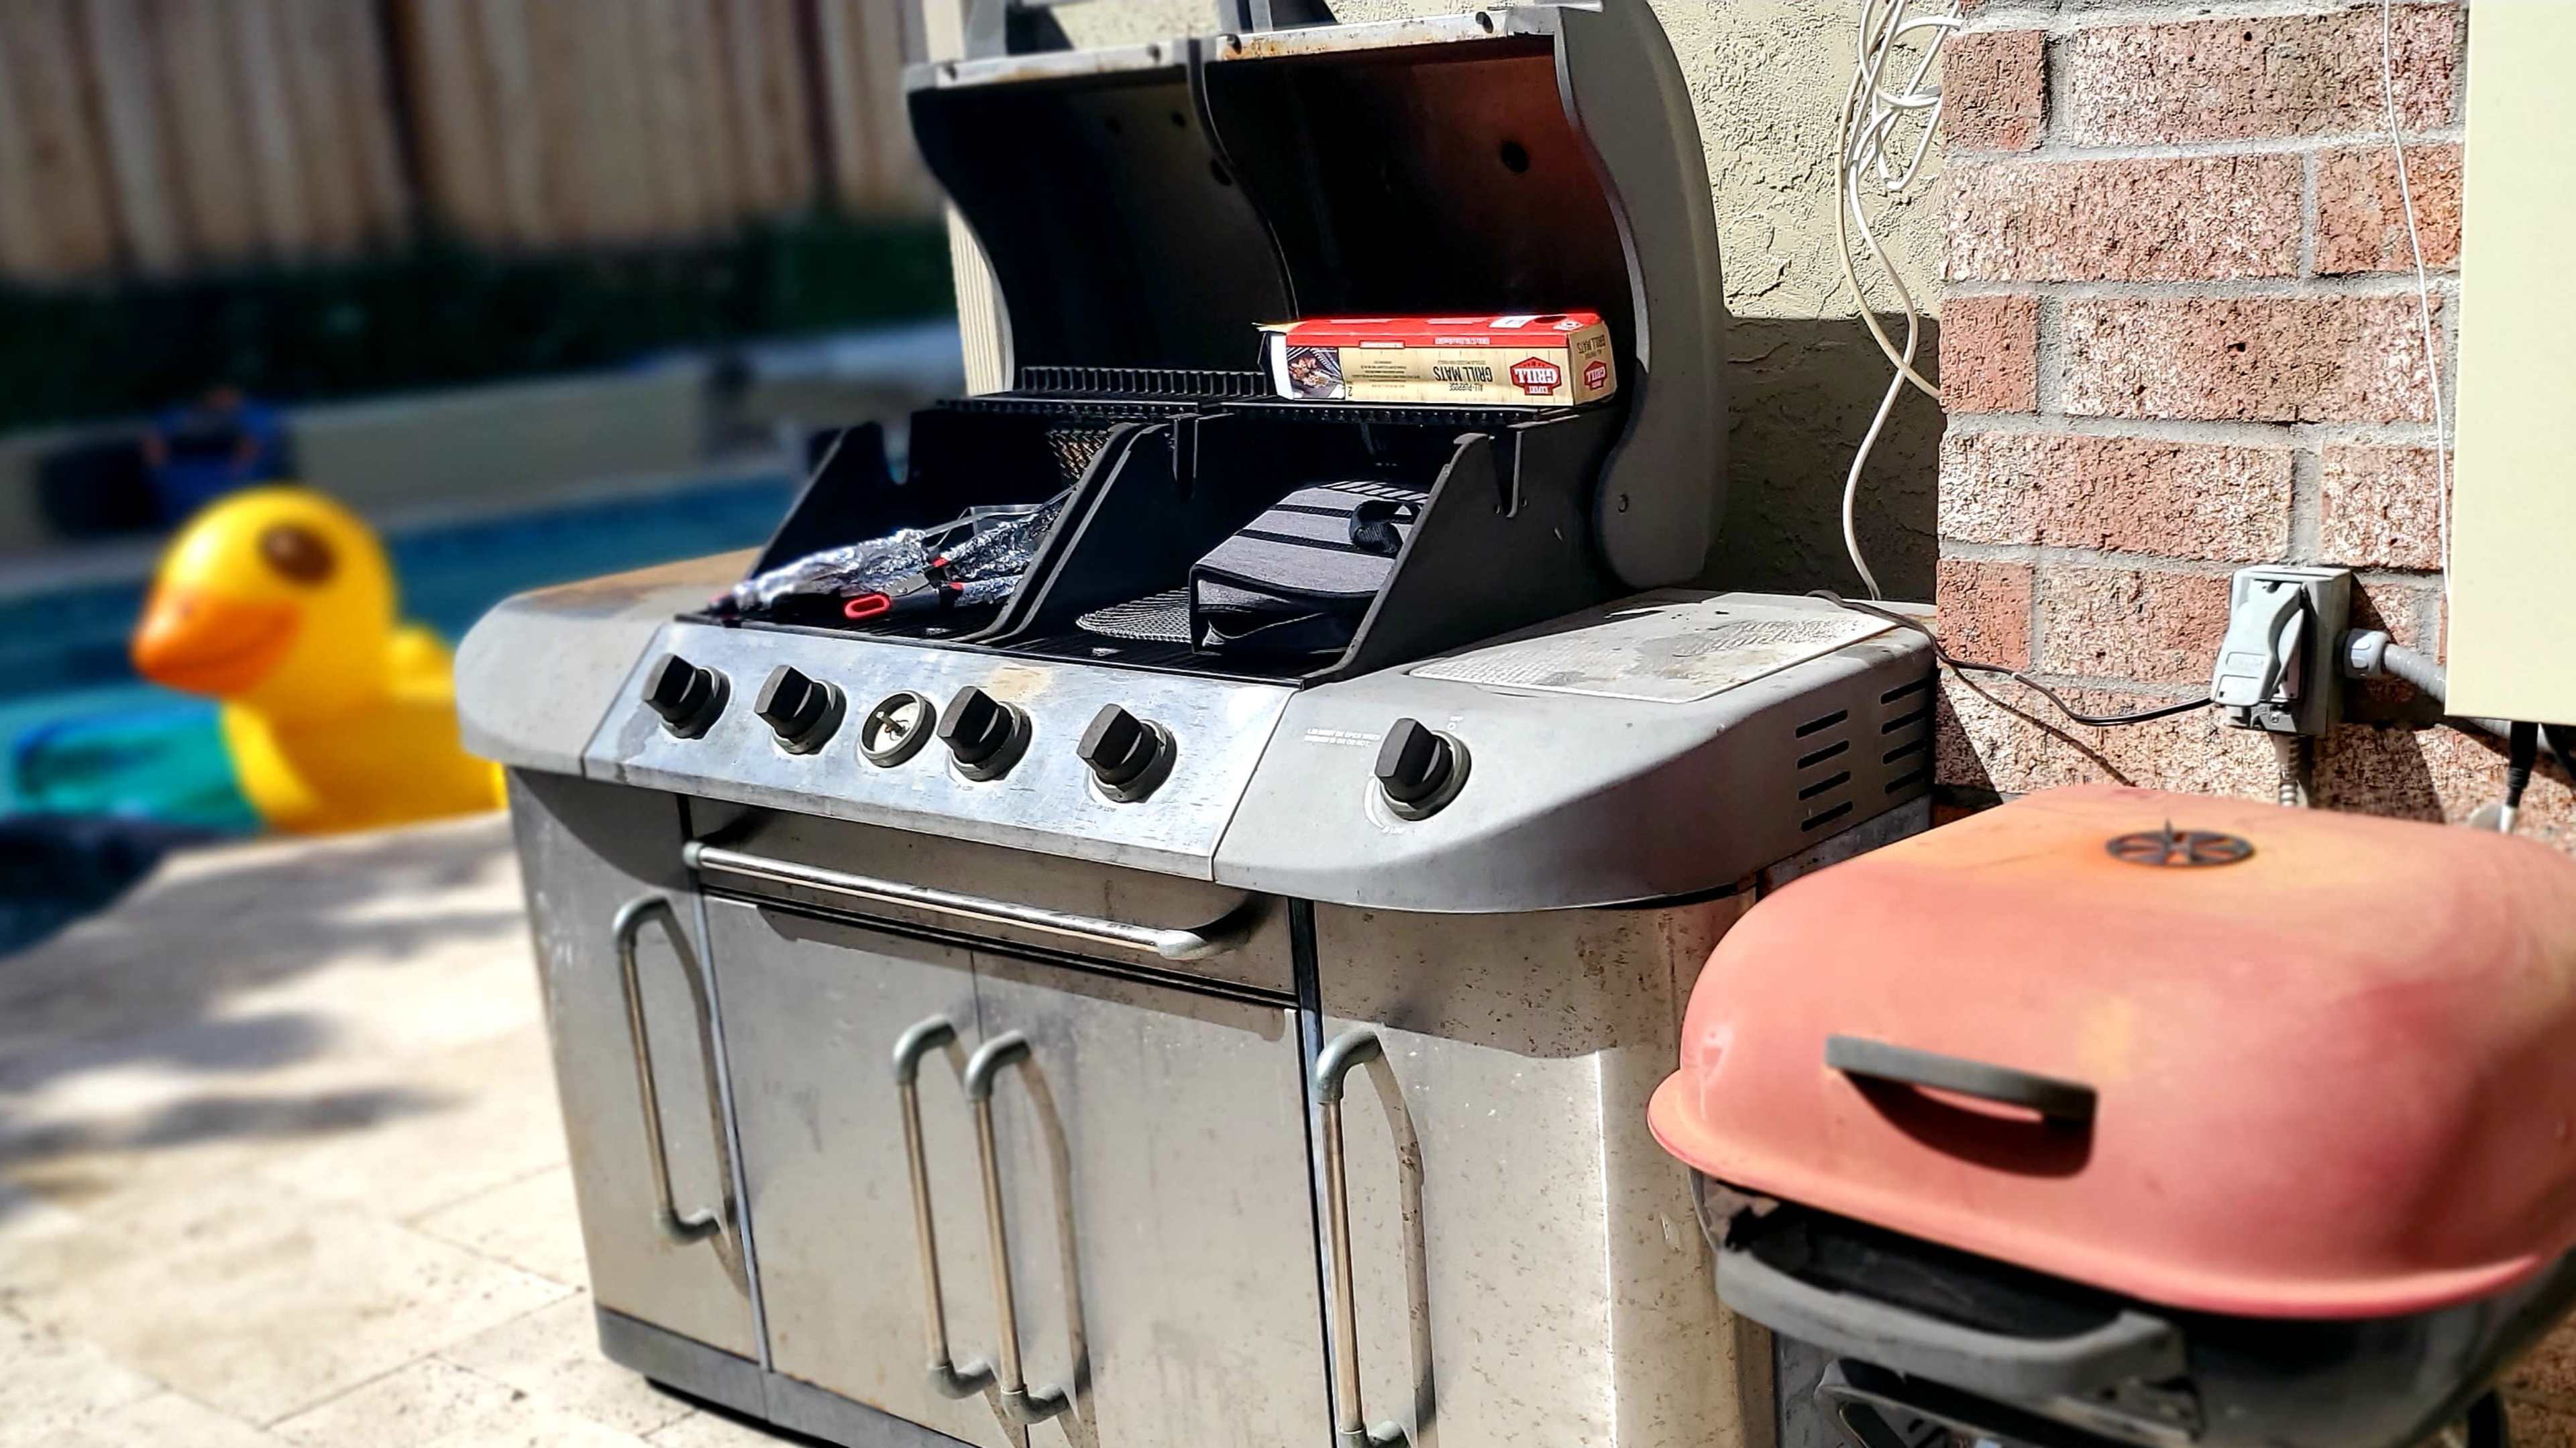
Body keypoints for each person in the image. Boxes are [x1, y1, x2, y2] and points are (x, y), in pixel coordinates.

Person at [141, 382, 292, 522]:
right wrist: (160, 467)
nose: (217, 396)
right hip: (191, 469)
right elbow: (155, 443)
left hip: (233, 474)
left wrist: (237, 467)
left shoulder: (256, 415)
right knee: (174, 482)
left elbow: (253, 447)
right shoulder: (184, 413)